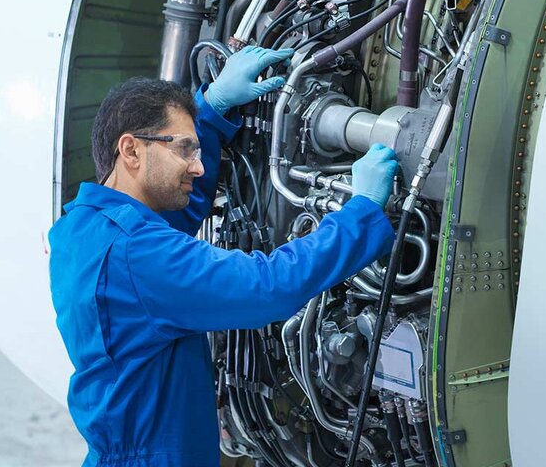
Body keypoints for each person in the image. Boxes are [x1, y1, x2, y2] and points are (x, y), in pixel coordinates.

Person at [47, 46, 401, 466]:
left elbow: (172, 217)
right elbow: (267, 288)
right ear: (131, 151)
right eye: (184, 150)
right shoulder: (136, 255)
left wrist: (212, 108)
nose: (197, 169)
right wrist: (361, 211)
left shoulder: (83, 227)